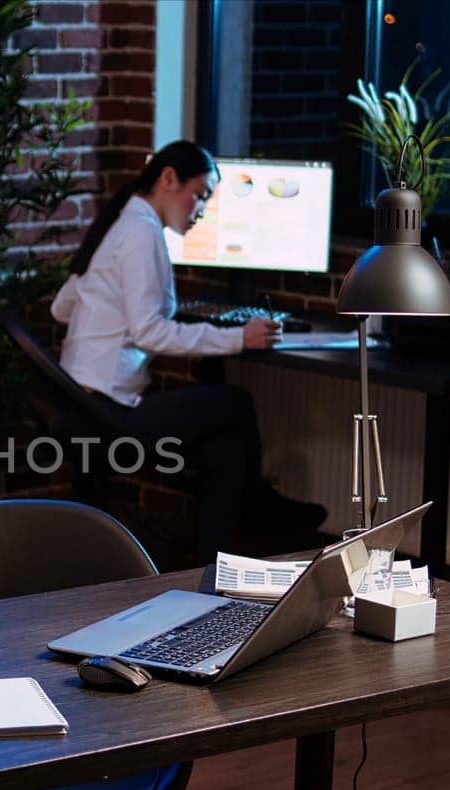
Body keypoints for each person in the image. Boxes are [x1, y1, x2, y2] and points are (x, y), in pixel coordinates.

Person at [50, 140, 325, 560]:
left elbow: (60, 307)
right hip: (108, 410)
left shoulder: (122, 224)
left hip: (80, 400)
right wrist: (238, 337)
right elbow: (149, 333)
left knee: (226, 452)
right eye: (200, 195)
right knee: (235, 403)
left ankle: (213, 562)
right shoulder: (140, 232)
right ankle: (262, 514)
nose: (201, 209)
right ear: (167, 179)